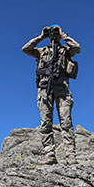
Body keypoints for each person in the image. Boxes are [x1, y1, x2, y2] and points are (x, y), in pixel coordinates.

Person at [22, 25, 81, 164]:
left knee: (66, 123)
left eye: (55, 33)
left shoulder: (65, 50)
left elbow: (77, 47)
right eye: (52, 33)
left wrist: (63, 35)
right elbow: (26, 49)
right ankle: (49, 154)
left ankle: (70, 155)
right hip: (44, 89)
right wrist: (40, 37)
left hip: (62, 89)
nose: (53, 35)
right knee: (46, 123)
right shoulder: (42, 51)